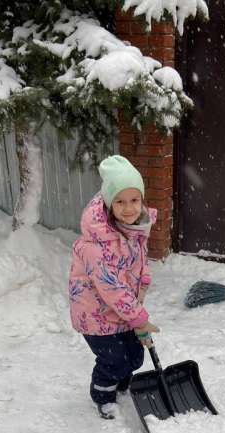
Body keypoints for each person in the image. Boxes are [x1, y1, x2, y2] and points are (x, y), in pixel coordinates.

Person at [68, 155, 160, 419]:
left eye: (134, 200)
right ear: (109, 204)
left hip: (122, 310)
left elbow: (140, 260)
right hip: (95, 314)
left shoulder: (134, 228)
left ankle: (121, 381)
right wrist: (139, 318)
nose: (129, 208)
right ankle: (103, 395)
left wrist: (143, 283)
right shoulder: (95, 246)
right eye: (120, 201)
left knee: (134, 357)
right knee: (114, 360)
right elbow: (111, 288)